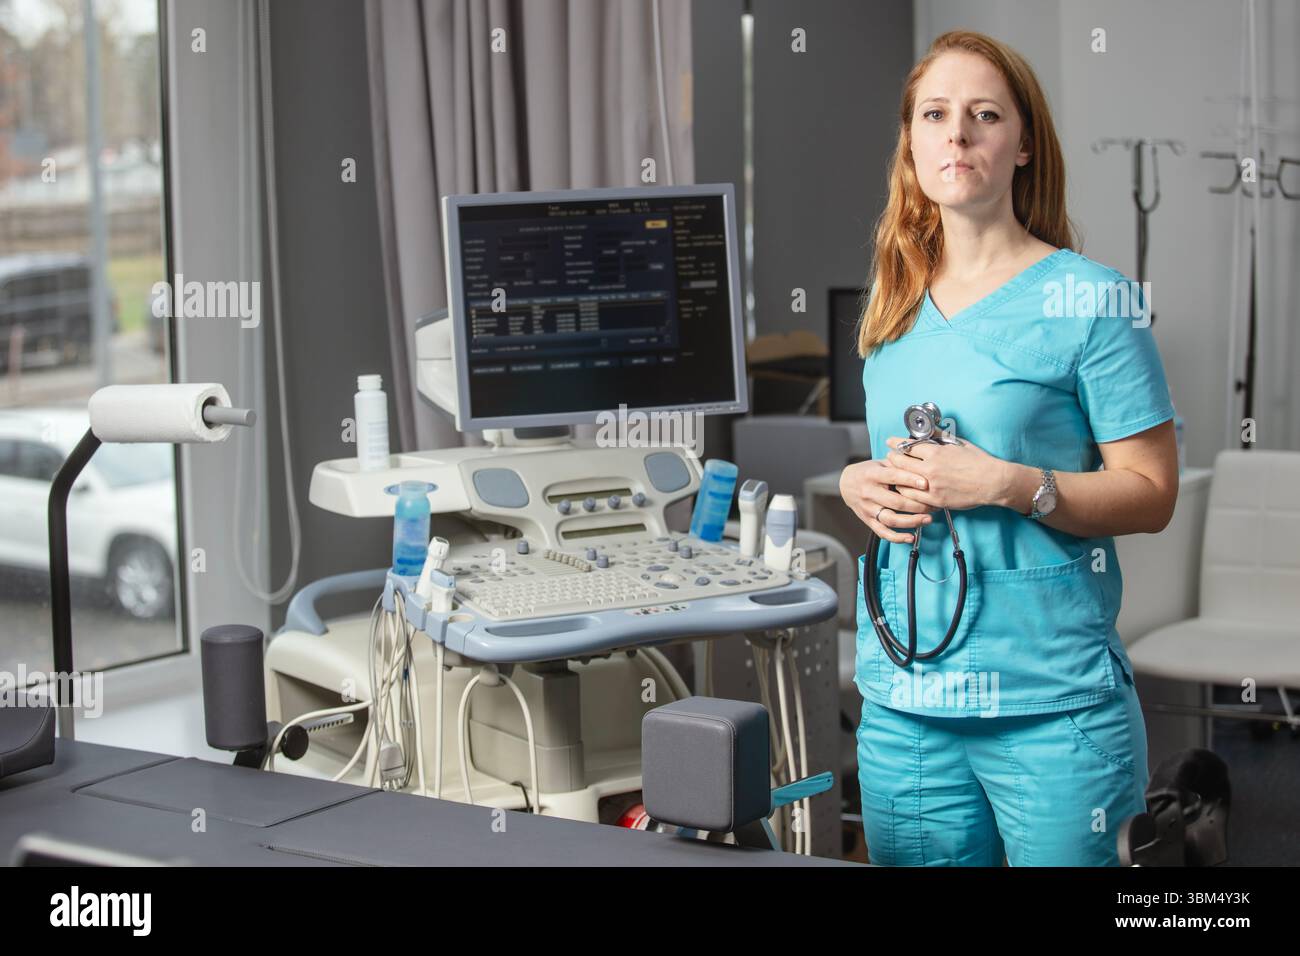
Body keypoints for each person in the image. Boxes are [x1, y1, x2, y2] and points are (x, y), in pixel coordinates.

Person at [838, 29, 1179, 866]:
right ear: (912, 143)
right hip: (907, 706)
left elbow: (1152, 492)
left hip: (1050, 709)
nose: (957, 135)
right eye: (935, 114)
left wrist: (1008, 483)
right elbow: (896, 464)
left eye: (984, 115)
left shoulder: (1093, 301)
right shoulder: (893, 305)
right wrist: (858, 482)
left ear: (1022, 146)